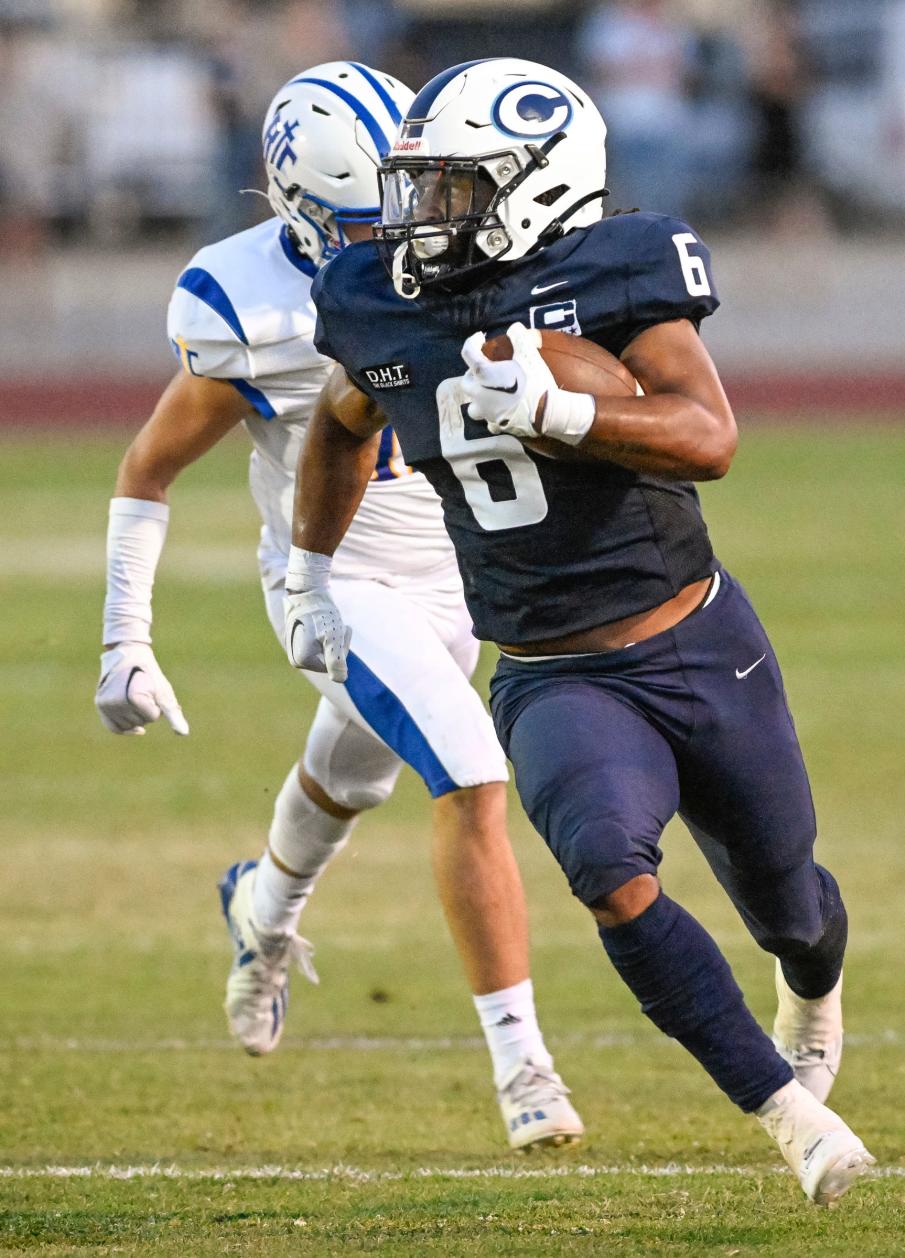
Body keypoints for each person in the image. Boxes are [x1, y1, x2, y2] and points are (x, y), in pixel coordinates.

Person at [283, 58, 875, 1205]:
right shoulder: (378, 299)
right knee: (607, 869)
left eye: (455, 188)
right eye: (421, 185)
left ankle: (810, 988)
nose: (423, 213)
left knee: (791, 902)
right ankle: (788, 1114)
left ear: (541, 185)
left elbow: (709, 434)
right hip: (552, 672)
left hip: (695, 636)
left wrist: (564, 411)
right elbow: (342, 423)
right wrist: (311, 575)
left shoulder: (615, 268)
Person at [94, 61, 583, 1153]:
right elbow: (147, 467)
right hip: (331, 585)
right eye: (375, 219)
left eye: (419, 193)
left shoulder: (461, 246)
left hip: (459, 576)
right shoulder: (257, 307)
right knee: (471, 768)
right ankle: (524, 1066)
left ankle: (260, 911)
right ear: (303, 210)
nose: (409, 231)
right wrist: (126, 634)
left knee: (356, 768)